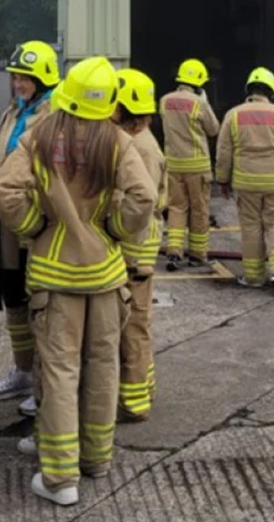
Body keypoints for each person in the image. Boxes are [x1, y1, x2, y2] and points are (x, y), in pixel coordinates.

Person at [0, 56, 155, 506]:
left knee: (59, 373)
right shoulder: (118, 141)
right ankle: (97, 458)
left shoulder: (40, 136)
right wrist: (115, 229)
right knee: (103, 367)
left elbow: (3, 190)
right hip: (105, 275)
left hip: (54, 274)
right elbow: (145, 196)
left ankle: (60, 477)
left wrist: (33, 226)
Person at [0, 41, 60, 417]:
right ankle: (24, 372)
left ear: (42, 78)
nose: (16, 83)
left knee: (38, 304)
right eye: (15, 77)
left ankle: (43, 381)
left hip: (34, 222)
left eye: (23, 77)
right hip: (8, 220)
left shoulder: (53, 114)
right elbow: (5, 154)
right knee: (14, 300)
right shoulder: (17, 109)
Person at [216, 67, 274, 295]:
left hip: (245, 183)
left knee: (251, 228)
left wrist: (222, 180)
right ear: (271, 91)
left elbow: (224, 151)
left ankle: (253, 276)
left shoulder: (233, 115)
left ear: (249, 90)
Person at [113, 68, 166, 422]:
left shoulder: (140, 148)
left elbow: (141, 203)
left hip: (135, 252)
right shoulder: (139, 141)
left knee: (132, 328)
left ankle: (134, 403)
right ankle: (139, 390)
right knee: (134, 326)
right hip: (137, 250)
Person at [159, 58, 220, 271]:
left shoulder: (165, 100)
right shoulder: (199, 103)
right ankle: (197, 255)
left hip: (173, 164)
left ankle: (173, 252)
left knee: (176, 207)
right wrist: (204, 101)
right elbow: (213, 129)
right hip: (197, 165)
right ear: (198, 82)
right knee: (199, 210)